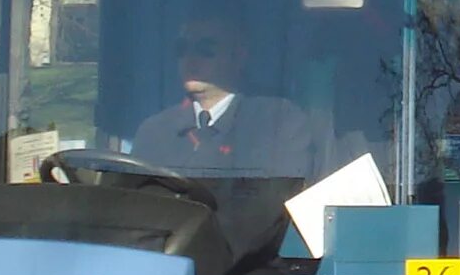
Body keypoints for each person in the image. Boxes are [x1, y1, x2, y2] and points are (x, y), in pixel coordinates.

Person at [130, 16, 327, 179]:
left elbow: (280, 198)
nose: (190, 59)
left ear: (238, 56)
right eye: (182, 49)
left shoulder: (279, 121)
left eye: (205, 49)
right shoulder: (154, 131)